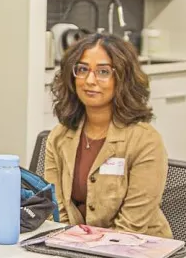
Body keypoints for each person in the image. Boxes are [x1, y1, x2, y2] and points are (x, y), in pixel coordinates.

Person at [42, 34, 171, 238]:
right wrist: (69, 244)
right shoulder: (59, 136)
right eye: (82, 69)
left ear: (122, 77)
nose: (90, 80)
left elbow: (131, 226)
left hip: (136, 250)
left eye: (103, 72)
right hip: (76, 248)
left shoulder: (145, 141)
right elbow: (56, 212)